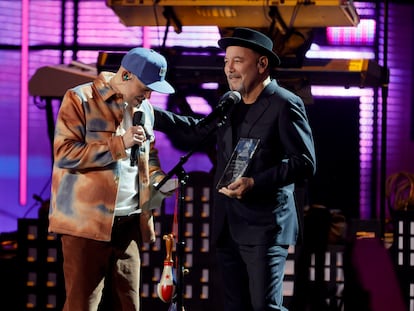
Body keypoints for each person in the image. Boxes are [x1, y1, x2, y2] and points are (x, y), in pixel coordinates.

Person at [153, 27, 316, 311]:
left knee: (265, 307)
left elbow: (304, 162)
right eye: (226, 61)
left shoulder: (285, 104)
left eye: (237, 61)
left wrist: (255, 182)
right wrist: (152, 114)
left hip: (265, 226)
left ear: (262, 64)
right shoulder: (230, 102)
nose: (229, 69)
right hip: (228, 224)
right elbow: (197, 131)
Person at [48, 47, 175, 311]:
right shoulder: (80, 99)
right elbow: (65, 154)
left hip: (129, 224)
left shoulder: (146, 109)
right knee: (82, 305)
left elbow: (148, 155)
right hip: (86, 225)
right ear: (126, 75)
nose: (149, 95)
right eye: (146, 87)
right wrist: (119, 143)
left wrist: (159, 180)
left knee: (129, 304)